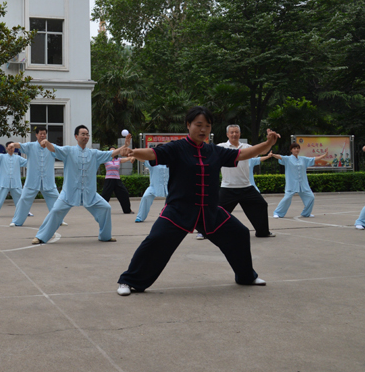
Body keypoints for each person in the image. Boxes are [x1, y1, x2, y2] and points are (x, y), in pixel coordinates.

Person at [116, 107, 280, 296]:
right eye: (199, 125)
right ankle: (128, 281)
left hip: (210, 211)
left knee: (240, 234)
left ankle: (246, 276)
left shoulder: (214, 151)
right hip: (178, 210)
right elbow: (153, 154)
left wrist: (267, 144)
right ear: (188, 125)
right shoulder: (176, 148)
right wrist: (133, 152)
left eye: (207, 126)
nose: (203, 130)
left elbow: (243, 154)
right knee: (156, 240)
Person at [31, 125, 130, 245]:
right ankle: (41, 237)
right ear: (76, 136)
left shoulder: (94, 153)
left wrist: (124, 147)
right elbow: (54, 149)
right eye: (83, 134)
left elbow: (111, 153)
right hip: (69, 193)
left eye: (87, 134)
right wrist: (46, 143)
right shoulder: (68, 151)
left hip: (90, 194)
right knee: (56, 211)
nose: (86, 136)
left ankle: (105, 236)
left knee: (106, 208)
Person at [216, 125, 276, 238]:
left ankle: (263, 232)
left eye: (236, 132)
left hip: (246, 187)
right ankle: (204, 232)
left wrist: (270, 142)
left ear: (240, 134)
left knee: (261, 205)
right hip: (228, 188)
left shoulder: (246, 147)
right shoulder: (221, 147)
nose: (234, 134)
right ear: (227, 134)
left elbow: (263, 151)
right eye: (232, 132)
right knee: (215, 210)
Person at [9, 126, 62, 227]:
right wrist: (12, 144)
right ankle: (16, 221)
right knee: (24, 199)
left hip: (48, 181)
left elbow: (60, 152)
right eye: (40, 133)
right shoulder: (30, 146)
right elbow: (20, 145)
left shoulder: (51, 146)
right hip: (32, 181)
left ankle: (59, 220)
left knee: (55, 199)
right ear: (36, 135)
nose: (42, 135)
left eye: (44, 134)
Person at [270, 143, 328, 218]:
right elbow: (280, 157)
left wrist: (324, 155)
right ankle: (277, 212)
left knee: (311, 197)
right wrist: (273, 155)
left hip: (303, 184)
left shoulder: (303, 159)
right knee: (287, 198)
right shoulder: (288, 159)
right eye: (294, 148)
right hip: (292, 183)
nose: (296, 150)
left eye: (297, 148)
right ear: (291, 150)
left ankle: (306, 213)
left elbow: (313, 159)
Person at [0, 142, 28, 217]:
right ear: (6, 148)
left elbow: (27, 162)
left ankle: (25, 212)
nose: (11, 149)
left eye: (12, 147)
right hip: (3, 182)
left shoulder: (18, 158)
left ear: (14, 148)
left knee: (21, 197)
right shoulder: (2, 157)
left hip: (15, 182)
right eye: (9, 147)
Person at [134, 156, 168, 223]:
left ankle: (167, 215)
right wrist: (135, 155)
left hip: (169, 187)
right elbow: (143, 159)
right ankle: (140, 217)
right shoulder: (153, 163)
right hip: (153, 187)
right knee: (145, 197)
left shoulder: (170, 163)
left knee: (174, 200)